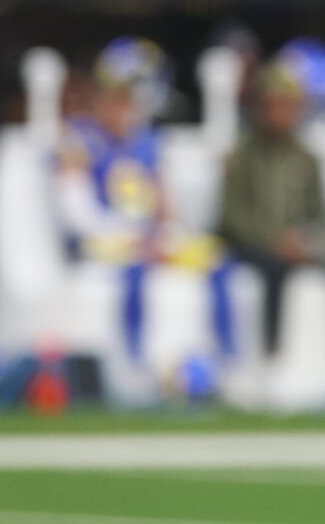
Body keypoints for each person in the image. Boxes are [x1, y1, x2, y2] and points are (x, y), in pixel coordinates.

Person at [55, 40, 235, 400]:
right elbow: (77, 212)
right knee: (136, 274)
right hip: (104, 242)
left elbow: (164, 206)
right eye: (118, 99)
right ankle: (135, 363)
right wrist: (128, 236)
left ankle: (230, 360)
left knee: (219, 263)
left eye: (130, 101)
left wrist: (165, 235)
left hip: (146, 239)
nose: (126, 110)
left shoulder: (146, 143)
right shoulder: (79, 139)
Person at [218, 58, 325, 405]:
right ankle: (272, 360)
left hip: (300, 243)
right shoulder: (242, 156)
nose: (281, 114)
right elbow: (232, 217)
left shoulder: (307, 158)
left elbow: (321, 213)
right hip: (254, 245)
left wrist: (305, 239)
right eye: (275, 105)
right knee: (274, 270)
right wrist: (273, 239)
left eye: (288, 106)